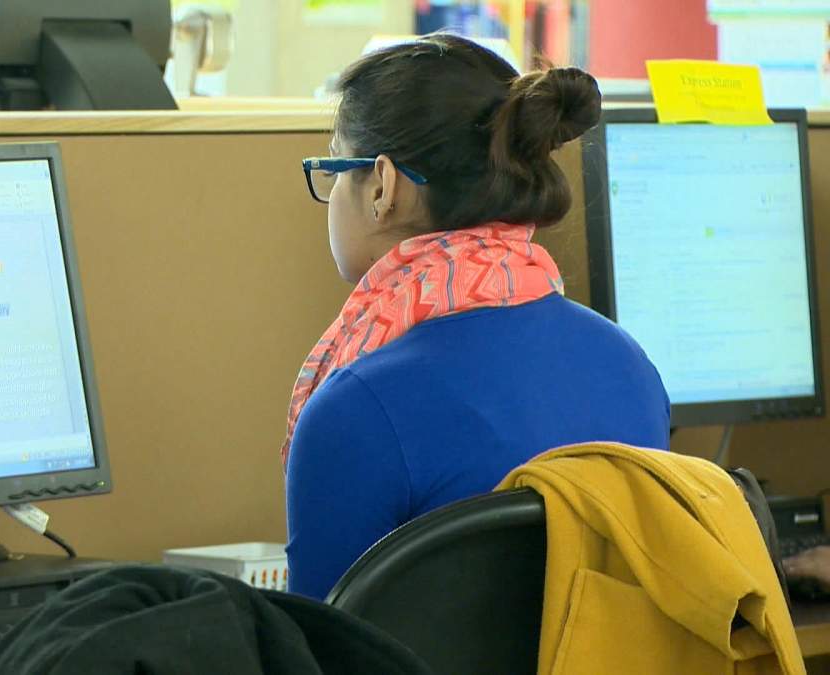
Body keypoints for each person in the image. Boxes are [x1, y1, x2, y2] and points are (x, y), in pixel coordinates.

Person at [283, 34, 671, 600]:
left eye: (337, 168)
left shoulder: (355, 408)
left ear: (382, 187)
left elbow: (311, 649)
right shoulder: (630, 366)